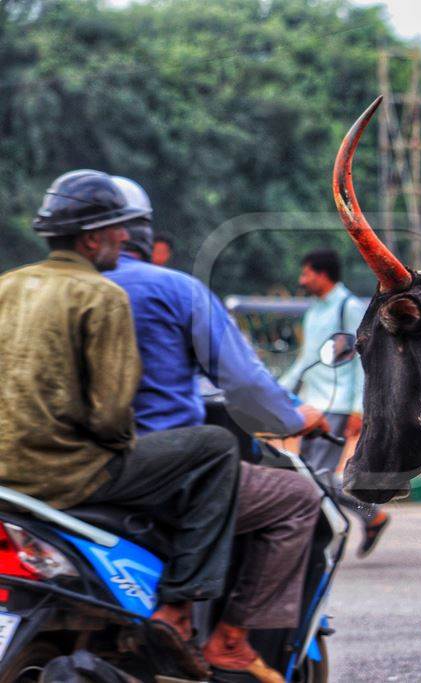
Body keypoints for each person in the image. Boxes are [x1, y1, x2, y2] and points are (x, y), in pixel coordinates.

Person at [0, 170, 237, 678]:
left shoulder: (8, 285)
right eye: (117, 229)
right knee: (216, 446)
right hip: (67, 477)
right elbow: (110, 415)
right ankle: (177, 609)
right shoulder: (101, 295)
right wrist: (120, 443)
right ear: (91, 239)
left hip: (6, 478)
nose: (126, 239)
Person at [105, 177, 329, 681]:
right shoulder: (175, 290)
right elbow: (247, 386)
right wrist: (297, 418)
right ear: (139, 236)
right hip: (154, 472)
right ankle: (228, 637)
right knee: (295, 496)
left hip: (52, 469)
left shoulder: (39, 291)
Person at [279, 249, 390, 557]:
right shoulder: (313, 311)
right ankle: (370, 516)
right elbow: (306, 359)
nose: (302, 280)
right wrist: (277, 391)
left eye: (306, 274)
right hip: (312, 403)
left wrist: (359, 406)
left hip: (339, 403)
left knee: (316, 476)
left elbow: (361, 361)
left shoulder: (348, 307)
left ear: (322, 275)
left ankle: (318, 540)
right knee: (313, 475)